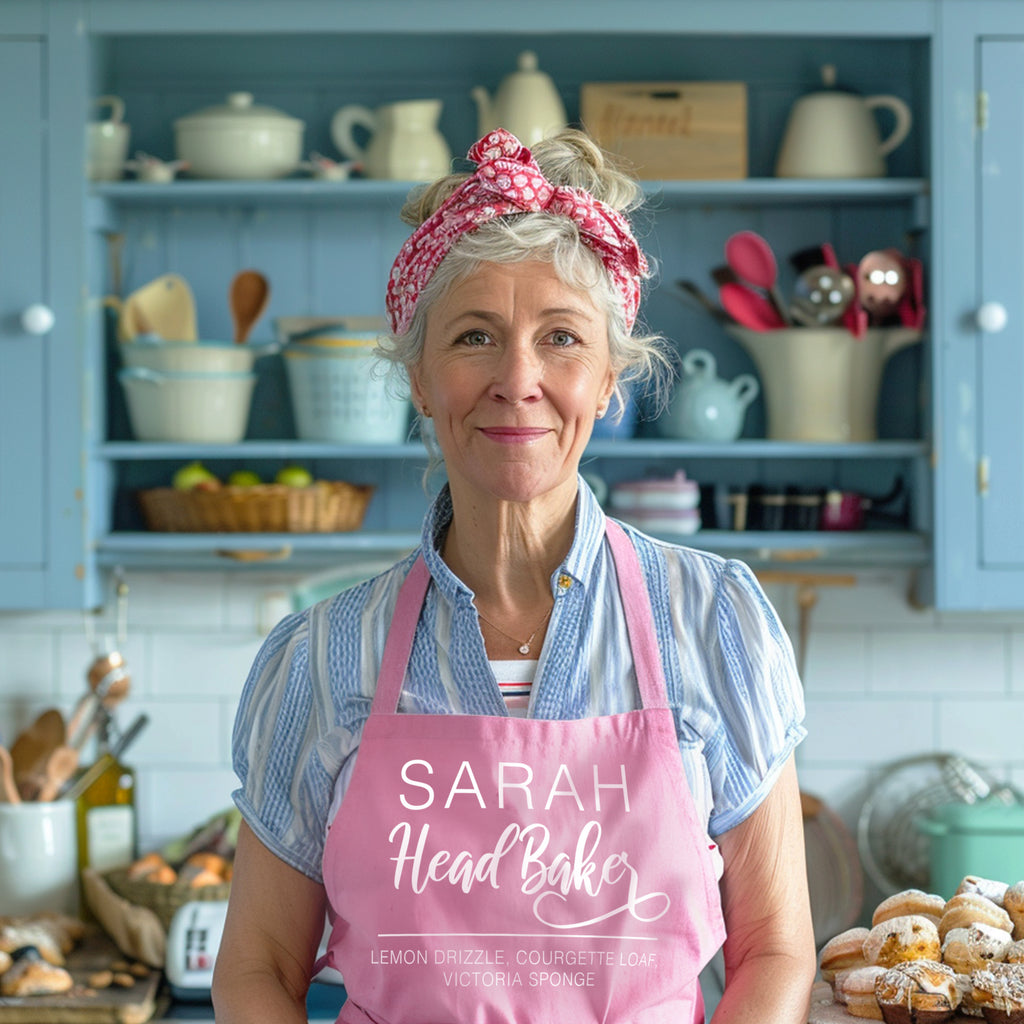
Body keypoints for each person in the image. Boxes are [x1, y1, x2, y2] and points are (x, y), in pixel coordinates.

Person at [212, 127, 815, 1024]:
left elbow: (775, 950)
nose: (518, 379)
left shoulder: (712, 617)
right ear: (418, 375)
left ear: (609, 380)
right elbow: (256, 966)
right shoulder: (325, 654)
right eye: (475, 337)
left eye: (562, 338)